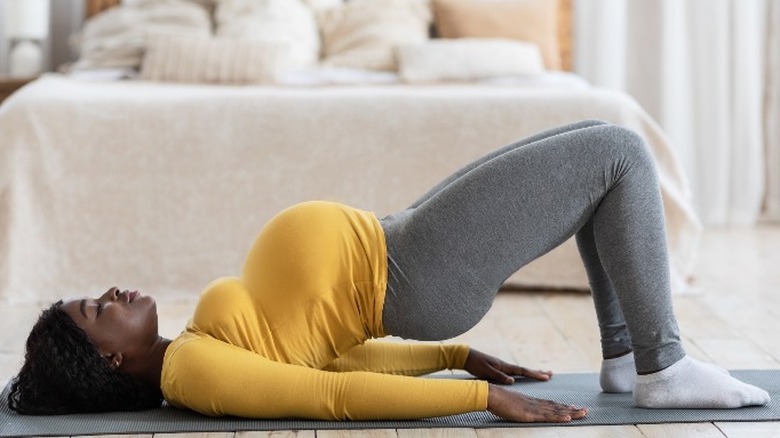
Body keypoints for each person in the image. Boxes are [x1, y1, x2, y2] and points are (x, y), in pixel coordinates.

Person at [8, 120, 770, 422]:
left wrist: (453, 355)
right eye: (96, 309)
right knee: (621, 156)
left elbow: (332, 350)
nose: (112, 295)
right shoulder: (194, 374)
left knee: (603, 153)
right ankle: (662, 365)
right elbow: (330, 393)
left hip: (403, 240)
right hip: (412, 267)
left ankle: (625, 358)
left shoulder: (198, 343)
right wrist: (477, 400)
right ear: (109, 357)